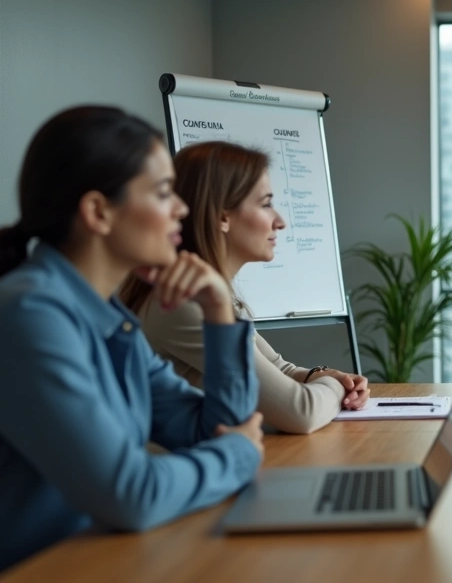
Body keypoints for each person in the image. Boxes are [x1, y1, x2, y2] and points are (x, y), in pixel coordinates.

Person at [0, 107, 263, 570]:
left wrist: (219, 310)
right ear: (98, 212)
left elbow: (210, 429)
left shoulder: (104, 316)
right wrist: (239, 452)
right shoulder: (30, 314)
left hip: (100, 561)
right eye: (164, 192)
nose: (181, 207)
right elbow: (133, 493)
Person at [121, 141, 368, 434]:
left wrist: (325, 376)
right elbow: (300, 412)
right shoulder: (185, 302)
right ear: (223, 216)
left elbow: (279, 369)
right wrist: (336, 390)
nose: (280, 222)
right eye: (265, 204)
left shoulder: (211, 294)